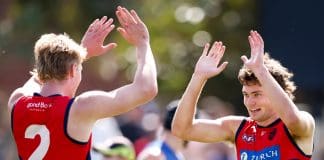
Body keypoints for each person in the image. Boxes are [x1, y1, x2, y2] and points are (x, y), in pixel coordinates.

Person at [8, 6, 157, 160]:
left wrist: (78, 54)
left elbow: (38, 77)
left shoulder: (17, 101)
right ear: (73, 70)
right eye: (79, 68)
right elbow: (146, 89)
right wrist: (143, 44)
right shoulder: (80, 108)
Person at [172, 30, 315, 159]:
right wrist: (198, 77)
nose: (250, 102)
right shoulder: (238, 128)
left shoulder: (302, 122)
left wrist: (261, 71)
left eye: (257, 94)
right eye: (246, 95)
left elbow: (292, 119)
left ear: (277, 92)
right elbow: (182, 130)